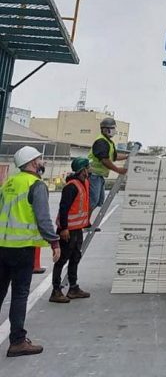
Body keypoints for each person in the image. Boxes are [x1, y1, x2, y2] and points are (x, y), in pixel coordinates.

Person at [0, 146, 61, 357]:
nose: (42, 162)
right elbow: (43, 219)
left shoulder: (9, 183)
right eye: (40, 159)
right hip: (21, 248)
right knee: (19, 295)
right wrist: (54, 242)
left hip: (2, 246)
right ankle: (17, 341)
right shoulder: (35, 185)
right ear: (33, 163)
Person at [49, 158, 91, 304]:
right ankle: (56, 290)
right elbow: (63, 208)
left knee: (75, 258)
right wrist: (64, 228)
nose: (90, 169)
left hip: (77, 229)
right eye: (88, 167)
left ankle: (73, 288)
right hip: (68, 230)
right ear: (83, 170)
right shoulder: (71, 187)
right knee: (62, 260)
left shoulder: (83, 183)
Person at [87, 117, 128, 224]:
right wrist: (118, 170)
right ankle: (85, 222)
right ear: (105, 129)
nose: (114, 131)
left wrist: (128, 156)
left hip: (99, 176)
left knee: (98, 201)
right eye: (112, 128)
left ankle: (86, 222)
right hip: (93, 174)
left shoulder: (108, 142)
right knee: (92, 201)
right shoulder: (101, 141)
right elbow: (105, 160)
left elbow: (114, 156)